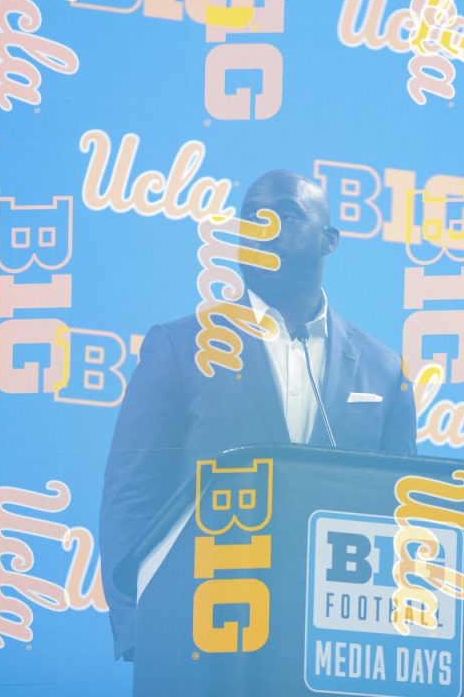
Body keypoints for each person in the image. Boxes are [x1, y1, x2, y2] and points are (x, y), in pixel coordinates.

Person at [98, 169, 417, 661]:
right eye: (251, 217)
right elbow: (131, 498)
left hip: (334, 649)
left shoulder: (383, 369)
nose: (264, 227)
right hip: (205, 643)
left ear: (330, 240)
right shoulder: (181, 348)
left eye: (286, 214)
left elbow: (401, 514)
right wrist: (139, 628)